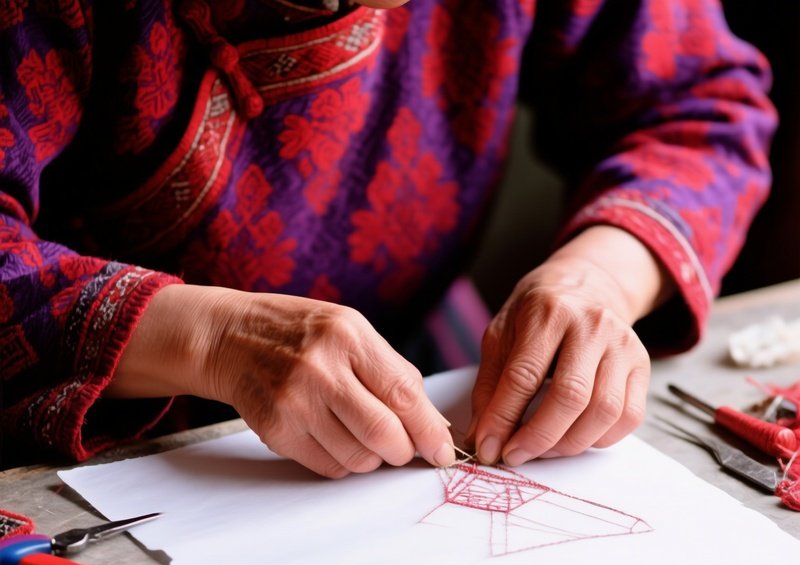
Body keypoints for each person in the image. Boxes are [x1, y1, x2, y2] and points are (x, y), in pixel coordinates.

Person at [0, 0, 776, 477]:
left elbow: (699, 109)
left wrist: (598, 279)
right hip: (83, 427)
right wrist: (211, 341)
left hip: (430, 371)